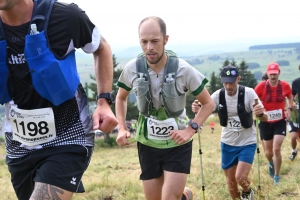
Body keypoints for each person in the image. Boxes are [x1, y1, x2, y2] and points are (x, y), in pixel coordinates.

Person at [0, 0, 118, 199]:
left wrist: (104, 101)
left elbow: (101, 47)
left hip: (68, 134)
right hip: (19, 144)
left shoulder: (65, 16)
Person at [115, 16, 214, 200]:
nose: (149, 47)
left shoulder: (184, 70)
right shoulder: (132, 69)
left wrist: (191, 129)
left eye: (155, 41)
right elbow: (121, 98)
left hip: (178, 143)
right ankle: (184, 196)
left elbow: (209, 103)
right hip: (147, 143)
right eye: (144, 41)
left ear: (166, 40)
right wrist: (121, 127)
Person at [192, 65, 266, 200]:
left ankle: (248, 191)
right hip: (227, 143)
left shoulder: (249, 93)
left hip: (247, 142)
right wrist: (197, 110)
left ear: (238, 79)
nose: (228, 86)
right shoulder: (217, 95)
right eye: (225, 82)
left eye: (231, 82)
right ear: (221, 80)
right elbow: (204, 111)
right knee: (231, 183)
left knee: (240, 177)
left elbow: (265, 117)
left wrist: (260, 114)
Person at [254, 62, 293, 185]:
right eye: (271, 74)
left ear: (279, 73)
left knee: (277, 148)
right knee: (268, 152)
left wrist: (288, 109)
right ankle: (270, 162)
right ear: (267, 74)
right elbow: (252, 99)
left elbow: (290, 97)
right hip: (265, 122)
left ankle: (277, 176)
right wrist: (259, 110)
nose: (273, 76)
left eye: (275, 74)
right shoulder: (260, 87)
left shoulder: (285, 86)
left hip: (280, 121)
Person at [287, 95, 299, 161]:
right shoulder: (291, 97)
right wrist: (290, 108)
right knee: (293, 137)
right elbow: (287, 106)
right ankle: (294, 151)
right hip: (292, 120)